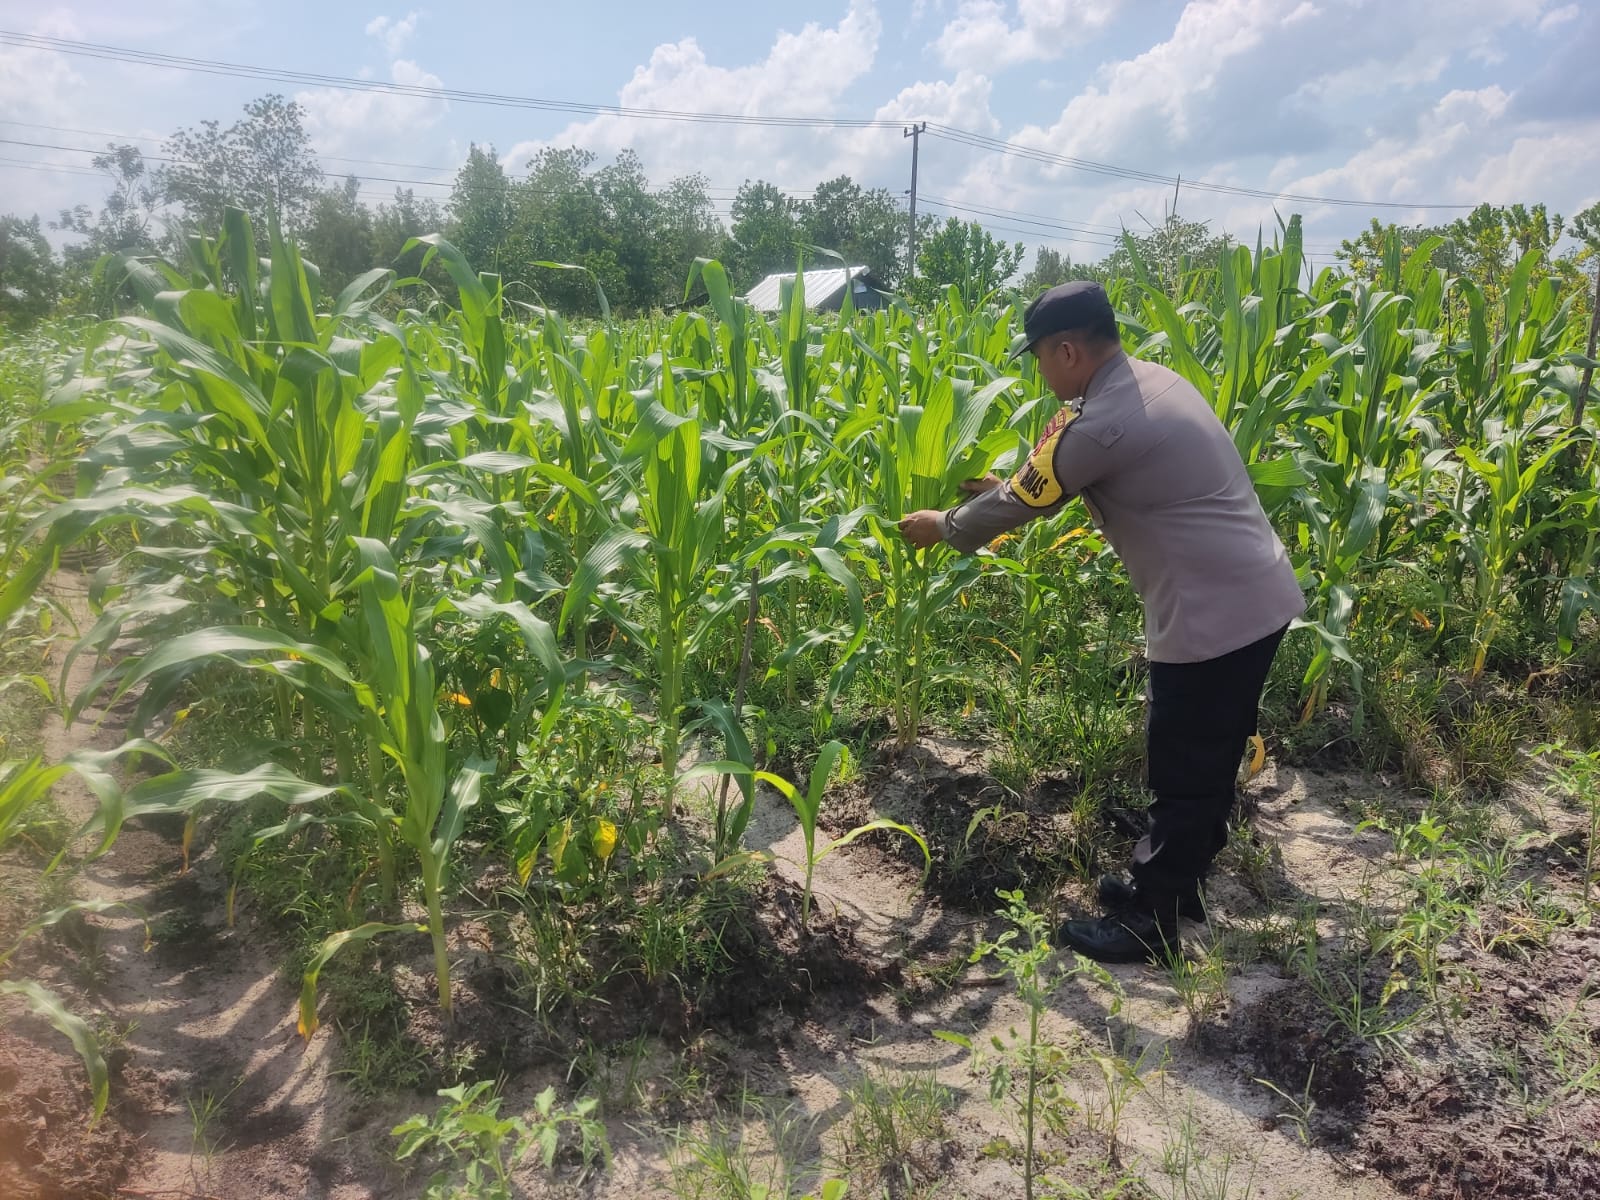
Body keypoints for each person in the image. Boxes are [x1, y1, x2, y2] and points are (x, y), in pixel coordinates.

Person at [898, 281, 1306, 963]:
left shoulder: (1107, 421)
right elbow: (1051, 472)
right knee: (1206, 753)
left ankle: (1153, 922)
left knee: (1185, 761)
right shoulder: (1149, 382)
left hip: (1215, 614)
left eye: (1039, 358)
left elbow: (1030, 500)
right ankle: (1179, 889)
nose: (1039, 371)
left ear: (1067, 350)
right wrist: (1004, 484)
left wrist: (947, 527)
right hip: (1247, 595)